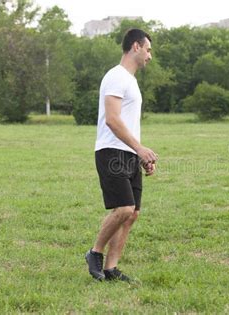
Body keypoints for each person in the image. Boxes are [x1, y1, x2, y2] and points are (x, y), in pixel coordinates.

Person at [85, 28, 158, 281]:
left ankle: (111, 268)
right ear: (136, 47)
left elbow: (127, 123)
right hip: (111, 151)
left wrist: (140, 155)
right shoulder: (116, 76)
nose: (150, 56)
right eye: (148, 49)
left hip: (128, 153)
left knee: (133, 212)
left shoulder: (131, 81)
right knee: (124, 208)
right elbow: (113, 120)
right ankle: (94, 252)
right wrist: (139, 148)